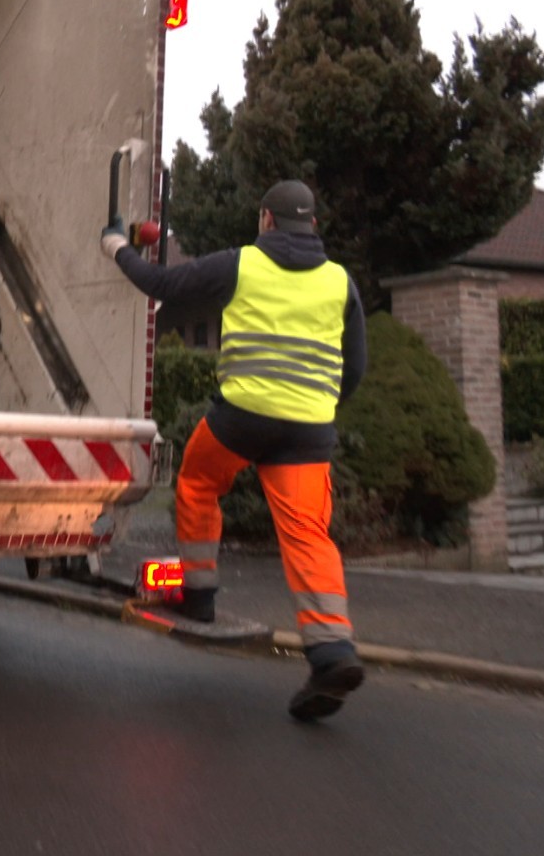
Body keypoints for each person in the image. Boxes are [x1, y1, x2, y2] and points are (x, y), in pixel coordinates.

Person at [102, 180, 368, 721]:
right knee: (307, 534)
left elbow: (161, 284)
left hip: (240, 420)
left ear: (266, 219)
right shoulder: (340, 282)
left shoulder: (241, 264)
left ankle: (198, 592)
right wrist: (316, 404)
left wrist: (117, 248)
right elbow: (356, 364)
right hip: (309, 431)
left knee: (198, 482)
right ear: (312, 225)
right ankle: (332, 651)